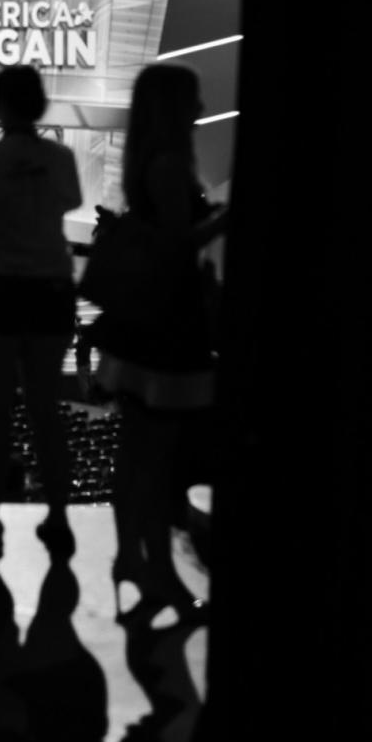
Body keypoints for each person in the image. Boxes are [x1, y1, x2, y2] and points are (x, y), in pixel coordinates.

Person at [91, 62, 227, 629]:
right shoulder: (171, 166)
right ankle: (157, 574)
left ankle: (132, 560)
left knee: (136, 454)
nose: (201, 105)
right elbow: (178, 248)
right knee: (157, 461)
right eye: (193, 97)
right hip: (168, 331)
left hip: (142, 332)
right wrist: (223, 218)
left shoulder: (147, 163)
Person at [0, 65, 82, 561]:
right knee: (46, 411)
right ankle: (59, 519)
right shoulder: (61, 160)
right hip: (48, 292)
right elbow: (68, 201)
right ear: (41, 104)